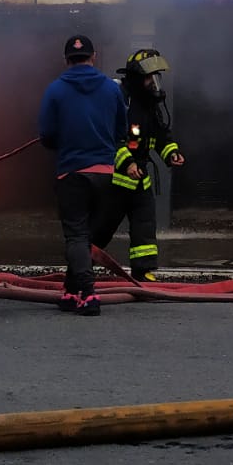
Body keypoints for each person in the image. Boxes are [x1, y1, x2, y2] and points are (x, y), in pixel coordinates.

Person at [38, 34, 130, 316]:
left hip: (73, 173)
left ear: (66, 60)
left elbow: (47, 135)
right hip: (105, 174)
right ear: (94, 56)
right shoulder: (112, 89)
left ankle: (88, 294)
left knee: (76, 235)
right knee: (87, 236)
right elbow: (121, 132)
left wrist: (66, 142)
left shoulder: (55, 90)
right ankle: (70, 290)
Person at [94, 48, 185, 281]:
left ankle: (143, 271)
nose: (153, 83)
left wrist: (171, 153)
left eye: (155, 78)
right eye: (148, 78)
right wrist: (128, 163)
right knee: (103, 226)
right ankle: (81, 259)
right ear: (135, 78)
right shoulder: (119, 99)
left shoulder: (149, 105)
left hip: (140, 177)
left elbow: (161, 136)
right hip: (115, 180)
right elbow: (110, 138)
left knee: (145, 225)